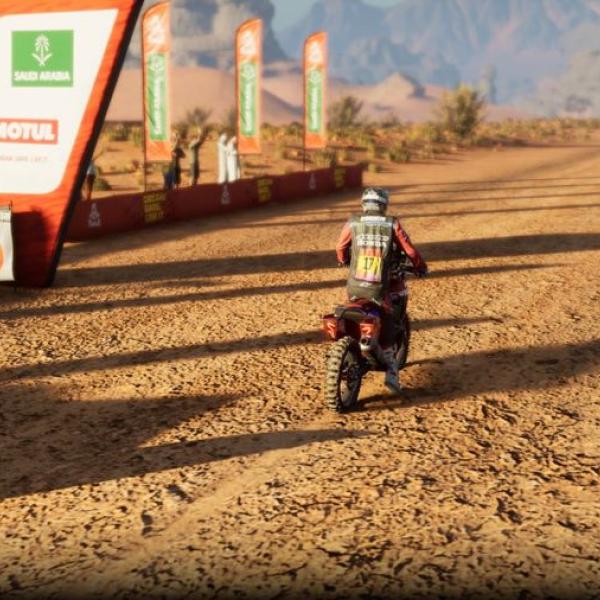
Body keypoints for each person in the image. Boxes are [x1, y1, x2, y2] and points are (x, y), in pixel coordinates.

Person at [336, 187, 428, 394]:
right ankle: (392, 374)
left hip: (355, 286)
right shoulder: (391, 224)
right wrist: (420, 266)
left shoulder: (353, 222)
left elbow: (340, 248)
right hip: (383, 288)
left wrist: (344, 261)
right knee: (391, 325)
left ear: (364, 204)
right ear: (383, 205)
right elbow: (410, 250)